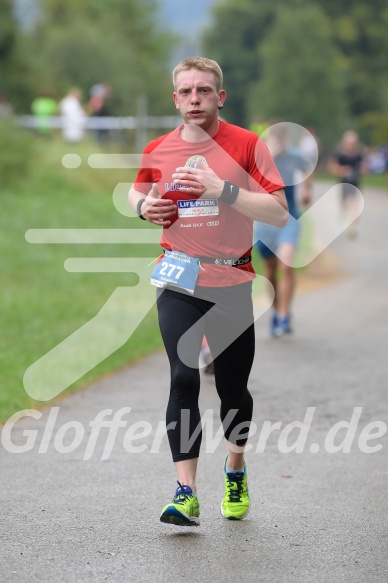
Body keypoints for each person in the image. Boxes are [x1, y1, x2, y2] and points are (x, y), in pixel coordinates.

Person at [128, 56, 287, 527]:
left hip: (232, 281)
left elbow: (279, 212)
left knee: (233, 389)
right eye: (185, 91)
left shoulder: (247, 144)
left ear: (220, 96)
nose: (194, 99)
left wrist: (225, 190)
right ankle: (185, 491)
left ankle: (235, 466)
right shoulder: (158, 148)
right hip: (179, 277)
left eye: (203, 91)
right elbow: (138, 192)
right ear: (174, 97)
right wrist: (145, 209)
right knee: (183, 377)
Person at [253, 123, 314, 337]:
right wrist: (268, 158)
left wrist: (307, 189)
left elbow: (307, 168)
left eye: (282, 140)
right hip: (264, 222)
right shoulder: (260, 157)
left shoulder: (295, 156)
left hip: (289, 218)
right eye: (275, 140)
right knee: (270, 271)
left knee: (286, 266)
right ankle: (275, 313)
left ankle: (284, 316)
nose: (280, 144)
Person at [327, 130, 365, 238]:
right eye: (349, 143)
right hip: (343, 184)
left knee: (352, 204)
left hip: (355, 184)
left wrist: (360, 170)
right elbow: (332, 168)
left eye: (353, 143)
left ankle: (352, 228)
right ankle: (343, 217)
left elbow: (363, 168)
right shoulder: (340, 154)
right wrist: (342, 170)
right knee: (343, 205)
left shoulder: (358, 155)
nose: (351, 145)